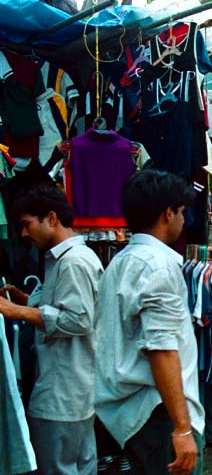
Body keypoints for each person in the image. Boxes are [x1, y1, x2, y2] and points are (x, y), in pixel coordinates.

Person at [95, 170, 204, 475]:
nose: (183, 221)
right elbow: (162, 349)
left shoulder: (120, 261)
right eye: (181, 212)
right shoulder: (158, 266)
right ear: (168, 214)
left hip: (131, 417)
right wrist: (182, 428)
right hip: (157, 416)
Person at [0, 185, 103, 474]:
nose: (23, 234)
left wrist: (17, 311)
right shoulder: (69, 259)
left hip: (64, 391)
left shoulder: (73, 262)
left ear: (52, 218)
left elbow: (77, 319)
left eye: (26, 224)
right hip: (74, 389)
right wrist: (28, 301)